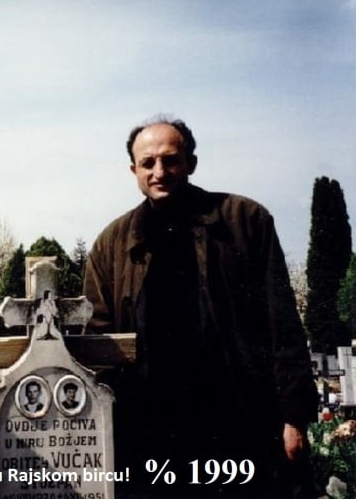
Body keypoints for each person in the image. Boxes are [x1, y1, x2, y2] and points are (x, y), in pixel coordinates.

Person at [83, 116, 318, 498]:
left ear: (191, 162)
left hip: (236, 420)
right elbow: (98, 344)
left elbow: (283, 324)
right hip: (149, 428)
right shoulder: (111, 245)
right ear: (133, 170)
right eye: (148, 163)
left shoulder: (244, 221)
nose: (160, 172)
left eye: (170, 160)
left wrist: (294, 417)